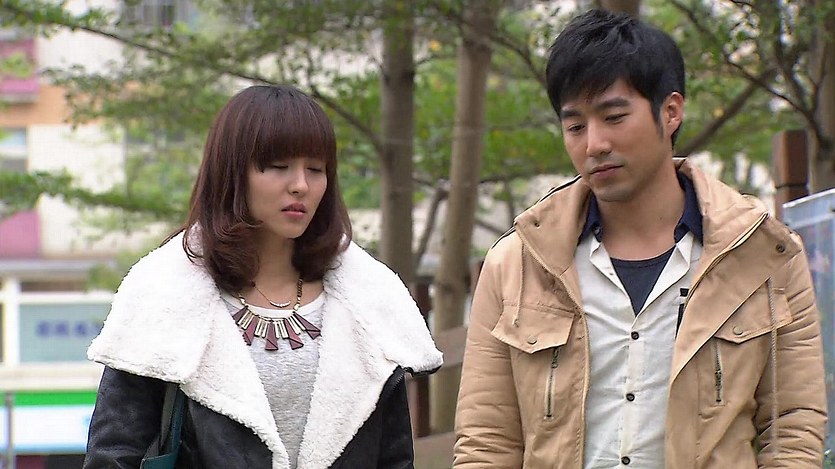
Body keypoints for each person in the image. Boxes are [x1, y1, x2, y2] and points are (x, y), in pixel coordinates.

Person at [454, 9, 826, 469]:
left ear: (670, 112)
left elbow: (792, 428)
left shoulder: (764, 254)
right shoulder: (516, 263)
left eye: (614, 117)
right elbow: (486, 443)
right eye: (575, 126)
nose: (594, 144)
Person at [83, 85, 442, 468]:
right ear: (232, 172)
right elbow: (113, 455)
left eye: (316, 169)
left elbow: (394, 459)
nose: (300, 185)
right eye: (278, 166)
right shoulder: (163, 292)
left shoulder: (370, 301)